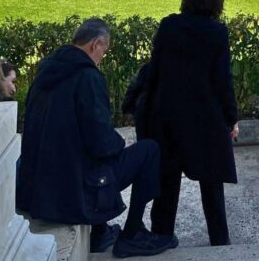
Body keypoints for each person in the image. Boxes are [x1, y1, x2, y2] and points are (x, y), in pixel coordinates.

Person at [16, 18, 174, 258]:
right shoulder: (87, 78)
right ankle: (133, 234)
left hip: (41, 188)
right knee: (148, 151)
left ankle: (100, 232)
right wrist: (119, 144)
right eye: (104, 51)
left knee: (94, 160)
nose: (102, 57)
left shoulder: (45, 73)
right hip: (72, 191)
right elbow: (101, 143)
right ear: (95, 44)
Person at [138, 0, 239, 247]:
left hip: (167, 115)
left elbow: (155, 70)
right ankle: (219, 240)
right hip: (205, 117)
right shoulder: (217, 33)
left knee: (167, 183)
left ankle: (161, 236)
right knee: (212, 183)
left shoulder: (169, 26)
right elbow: (222, 81)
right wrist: (231, 119)